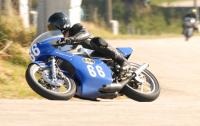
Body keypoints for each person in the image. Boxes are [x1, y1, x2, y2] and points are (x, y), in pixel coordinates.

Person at [47, 12, 131, 77]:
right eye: (50, 29)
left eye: (53, 28)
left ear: (62, 24)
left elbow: (85, 34)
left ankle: (123, 62)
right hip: (86, 63)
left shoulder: (76, 28)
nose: (52, 31)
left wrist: (71, 39)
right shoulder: (61, 43)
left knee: (96, 41)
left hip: (97, 53)